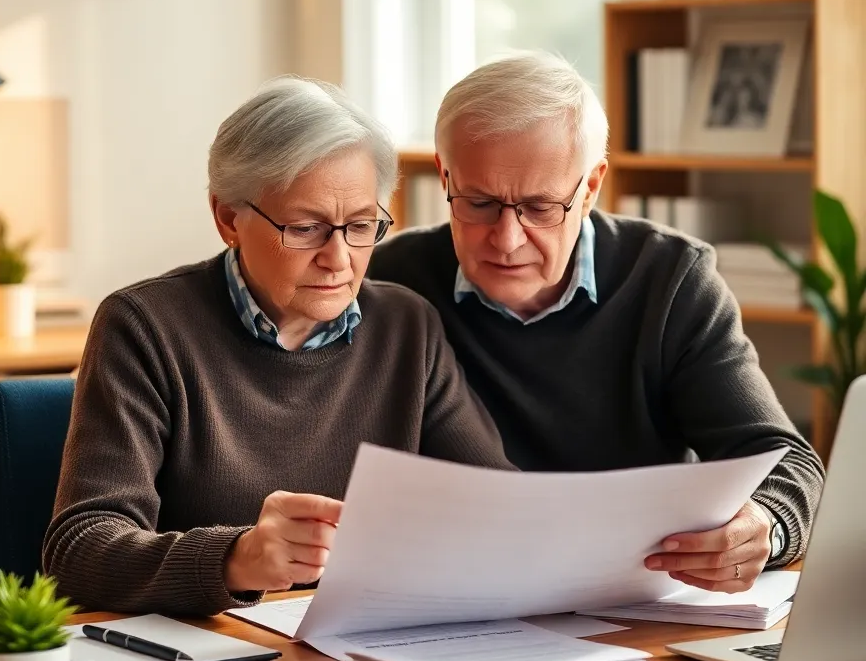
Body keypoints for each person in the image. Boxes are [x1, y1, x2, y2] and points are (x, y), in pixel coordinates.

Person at [43, 76, 513, 618]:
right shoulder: (146, 327)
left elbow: (496, 503)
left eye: (362, 225)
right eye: (306, 228)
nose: (339, 259)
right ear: (227, 220)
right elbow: (77, 551)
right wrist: (235, 559)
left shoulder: (407, 325)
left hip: (367, 645)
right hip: (215, 658)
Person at [369, 51, 824, 594]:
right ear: (445, 175)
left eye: (540, 206)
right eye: (481, 202)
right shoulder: (391, 281)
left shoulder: (670, 279)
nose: (507, 239)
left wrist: (764, 528)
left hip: (633, 605)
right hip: (449, 595)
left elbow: (784, 459)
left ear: (590, 187)